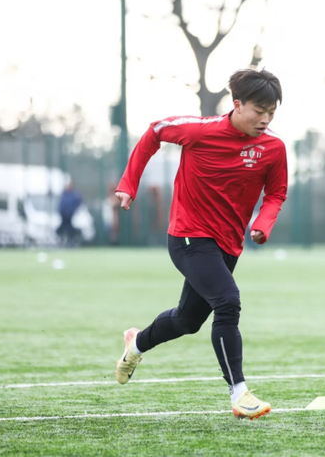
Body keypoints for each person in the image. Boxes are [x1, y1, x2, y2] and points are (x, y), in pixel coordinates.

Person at [113, 68, 286, 420]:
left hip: (228, 245)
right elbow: (154, 132)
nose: (265, 120)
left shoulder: (273, 148)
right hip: (188, 236)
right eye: (259, 111)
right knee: (228, 302)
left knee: (187, 320)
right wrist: (129, 184)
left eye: (271, 113)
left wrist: (262, 224)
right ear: (237, 104)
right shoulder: (199, 131)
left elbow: (276, 193)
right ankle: (239, 393)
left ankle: (137, 343)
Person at [56, 182, 83, 247]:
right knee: (63, 228)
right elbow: (61, 204)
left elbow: (79, 202)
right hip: (63, 214)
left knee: (70, 228)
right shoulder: (64, 194)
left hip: (70, 214)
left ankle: (71, 242)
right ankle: (62, 241)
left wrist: (73, 210)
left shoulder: (74, 194)